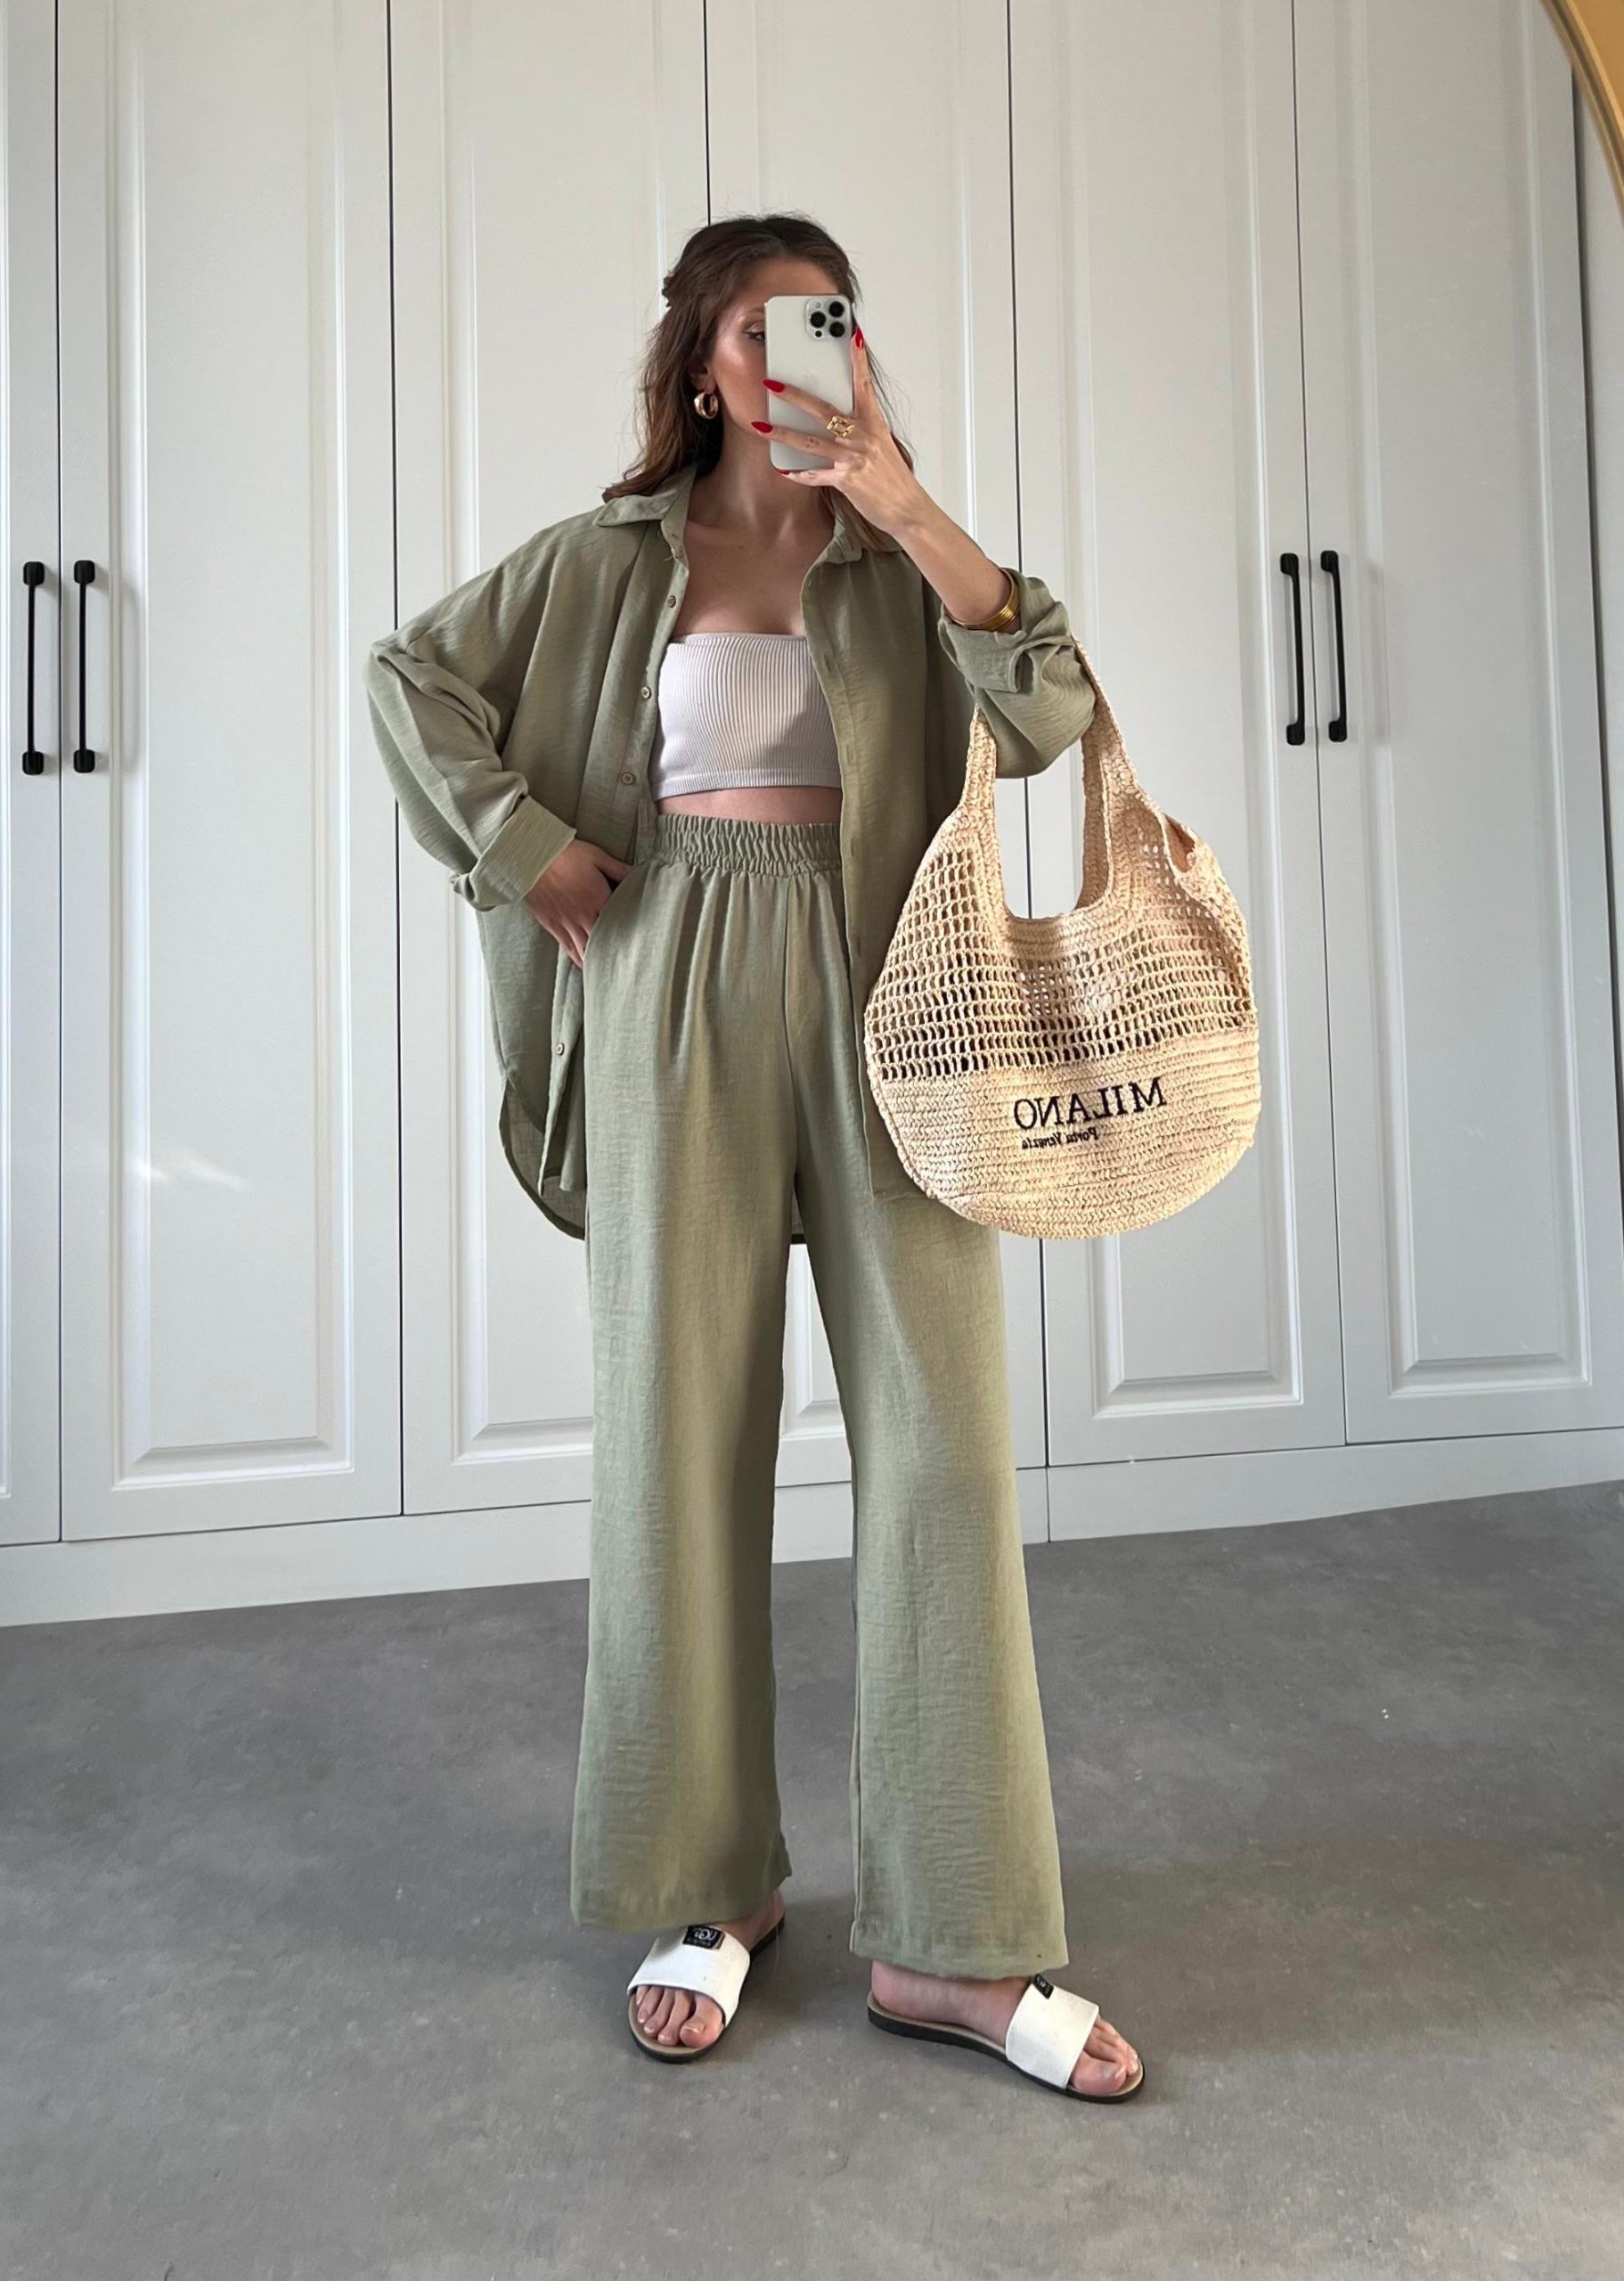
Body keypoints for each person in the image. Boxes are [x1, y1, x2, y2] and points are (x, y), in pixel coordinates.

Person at [366, 214, 1143, 2105]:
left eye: (831, 323)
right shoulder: (608, 560)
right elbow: (410, 677)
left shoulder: (895, 553)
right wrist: (524, 848)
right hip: (672, 974)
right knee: (679, 1437)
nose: (803, 354)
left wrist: (908, 500)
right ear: (703, 365)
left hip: (892, 993)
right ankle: (706, 1886)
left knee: (946, 1448)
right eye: (764, 329)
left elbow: (1049, 708)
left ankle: (956, 1937)